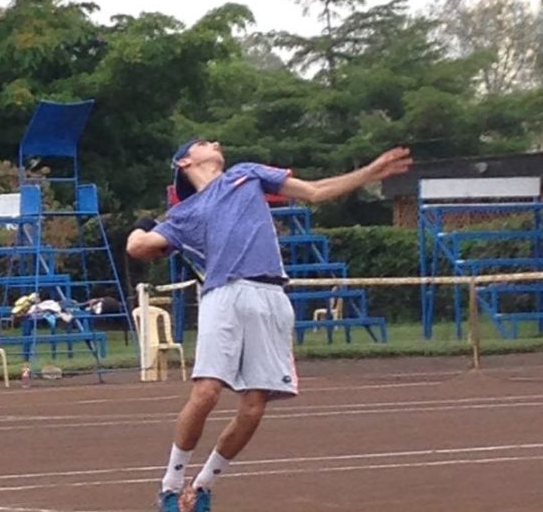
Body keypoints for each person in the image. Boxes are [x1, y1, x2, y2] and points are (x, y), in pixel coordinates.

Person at [126, 139, 412, 512]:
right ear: (184, 161)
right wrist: (140, 225)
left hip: (270, 294)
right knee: (207, 393)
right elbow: (138, 247)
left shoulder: (246, 173)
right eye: (203, 142)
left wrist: (370, 171)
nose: (214, 143)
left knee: (254, 405)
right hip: (222, 295)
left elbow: (314, 191)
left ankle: (202, 487)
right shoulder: (185, 215)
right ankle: (169, 487)